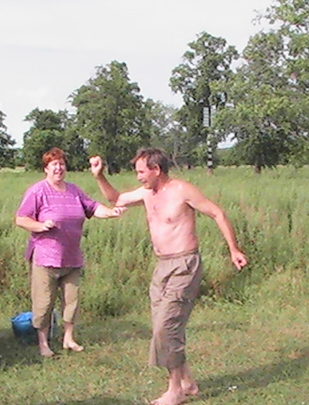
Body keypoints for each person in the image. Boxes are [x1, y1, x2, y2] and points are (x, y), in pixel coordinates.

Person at [90, 148, 248, 405]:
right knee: (162, 327)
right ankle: (188, 382)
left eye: (142, 172)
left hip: (185, 265)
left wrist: (234, 249)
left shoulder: (182, 190)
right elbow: (116, 199)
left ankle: (175, 390)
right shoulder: (146, 193)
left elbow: (217, 213)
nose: (138, 177)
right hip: (162, 266)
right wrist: (99, 176)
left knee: (167, 327)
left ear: (156, 170)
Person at [16, 147, 125, 357]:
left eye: (62, 164)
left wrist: (112, 212)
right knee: (44, 303)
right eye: (54, 164)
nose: (58, 168)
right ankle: (43, 343)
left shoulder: (74, 190)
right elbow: (21, 219)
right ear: (46, 168)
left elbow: (93, 207)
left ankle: (69, 338)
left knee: (72, 301)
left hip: (72, 257)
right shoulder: (38, 191)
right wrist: (41, 226)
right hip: (46, 258)